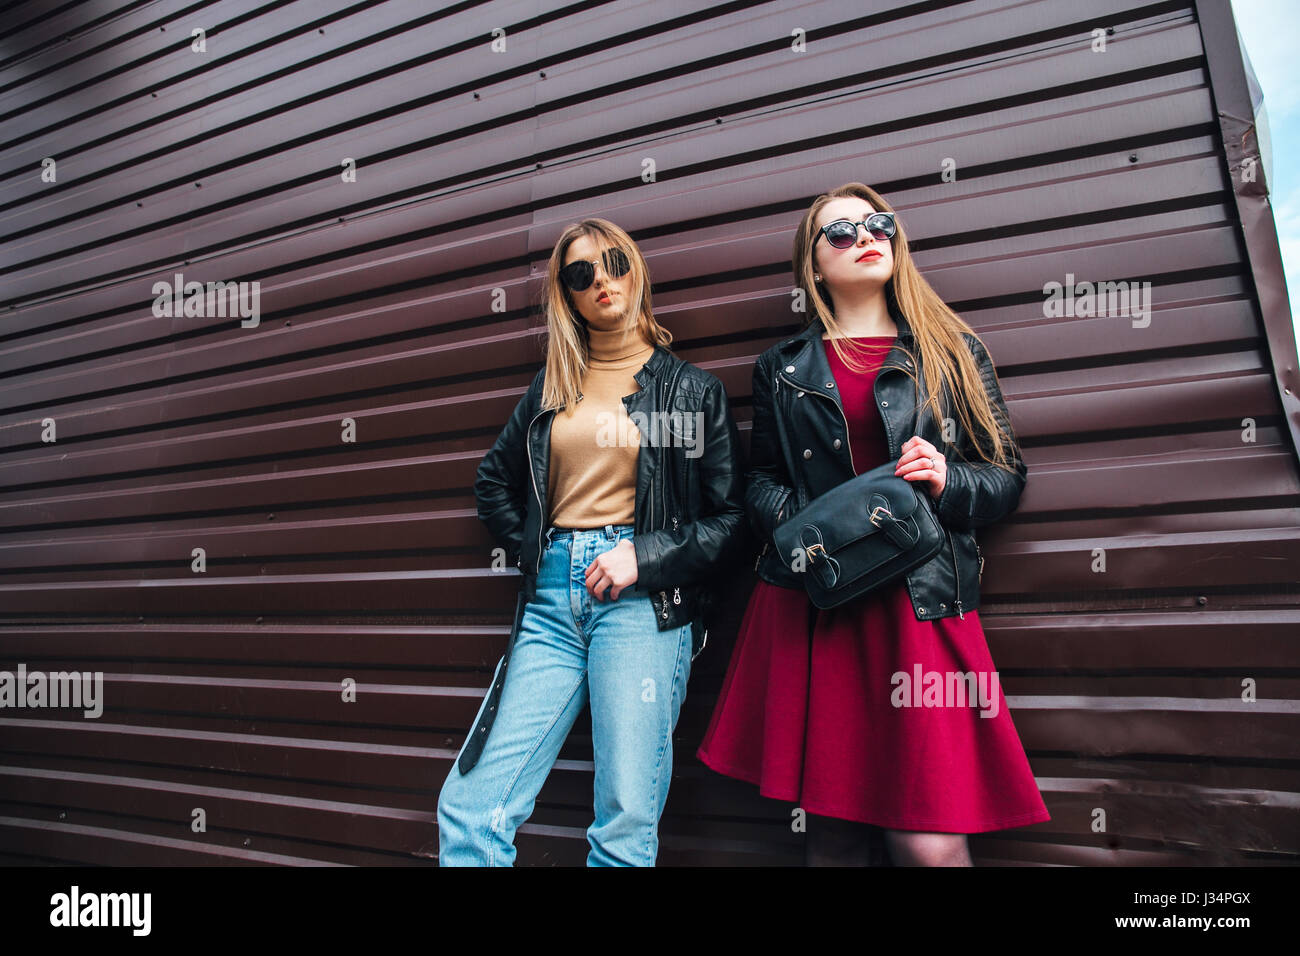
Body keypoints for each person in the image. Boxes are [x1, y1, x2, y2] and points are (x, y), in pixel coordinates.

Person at [697, 183, 1050, 866]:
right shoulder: (782, 367)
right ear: (814, 265)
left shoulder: (950, 350)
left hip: (918, 601)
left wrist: (948, 478)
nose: (867, 236)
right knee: (832, 833)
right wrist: (809, 524)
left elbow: (1006, 477)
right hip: (821, 603)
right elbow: (761, 481)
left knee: (930, 844)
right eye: (842, 231)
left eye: (878, 223)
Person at [438, 217, 747, 866]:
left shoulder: (689, 392)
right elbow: (494, 482)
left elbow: (732, 520)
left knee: (623, 826)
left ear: (635, 270)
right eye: (581, 274)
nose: (602, 280)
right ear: (568, 296)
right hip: (550, 608)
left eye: (614, 262)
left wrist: (646, 554)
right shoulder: (555, 389)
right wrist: (540, 552)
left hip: (643, 605)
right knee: (470, 810)